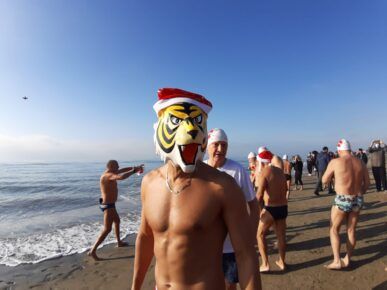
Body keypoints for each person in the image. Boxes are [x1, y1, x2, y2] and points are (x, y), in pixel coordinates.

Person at [132, 88, 261, 289]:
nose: (191, 130)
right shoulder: (149, 183)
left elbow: (245, 255)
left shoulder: (222, 187)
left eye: (197, 122)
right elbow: (146, 237)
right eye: (177, 120)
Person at [205, 128, 259, 290]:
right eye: (216, 144)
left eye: (224, 145)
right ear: (207, 146)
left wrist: (251, 235)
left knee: (229, 285)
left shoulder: (237, 170)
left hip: (231, 245)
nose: (220, 149)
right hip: (205, 244)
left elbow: (254, 205)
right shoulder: (199, 170)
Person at [322, 139, 370, 269]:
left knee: (334, 229)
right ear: (349, 149)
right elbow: (367, 184)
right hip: (358, 198)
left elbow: (324, 180)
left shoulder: (335, 162)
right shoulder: (360, 162)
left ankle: (337, 260)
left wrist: (333, 179)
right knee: (351, 230)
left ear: (339, 150)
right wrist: (360, 193)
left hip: (342, 198)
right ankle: (347, 259)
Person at [88, 160, 144, 261]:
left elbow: (122, 170)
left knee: (117, 221)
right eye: (117, 167)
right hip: (108, 205)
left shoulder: (111, 172)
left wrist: (135, 168)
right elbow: (121, 177)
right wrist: (132, 172)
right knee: (107, 229)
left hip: (111, 205)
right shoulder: (108, 175)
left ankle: (119, 242)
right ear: (111, 166)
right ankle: (93, 251)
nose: (118, 168)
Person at [256, 148, 288, 272]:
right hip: (283, 208)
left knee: (260, 235)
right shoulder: (280, 171)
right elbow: (285, 189)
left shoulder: (265, 171)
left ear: (261, 161)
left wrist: (259, 211)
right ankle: (282, 262)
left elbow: (259, 195)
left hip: (270, 209)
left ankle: (265, 264)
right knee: (281, 236)